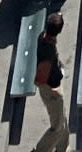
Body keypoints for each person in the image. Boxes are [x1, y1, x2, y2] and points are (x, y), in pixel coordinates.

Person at [32, 13, 69, 152]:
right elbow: (40, 79)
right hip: (52, 90)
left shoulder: (43, 37)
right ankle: (40, 150)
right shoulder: (48, 51)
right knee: (57, 127)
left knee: (62, 120)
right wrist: (56, 92)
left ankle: (63, 148)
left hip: (53, 84)